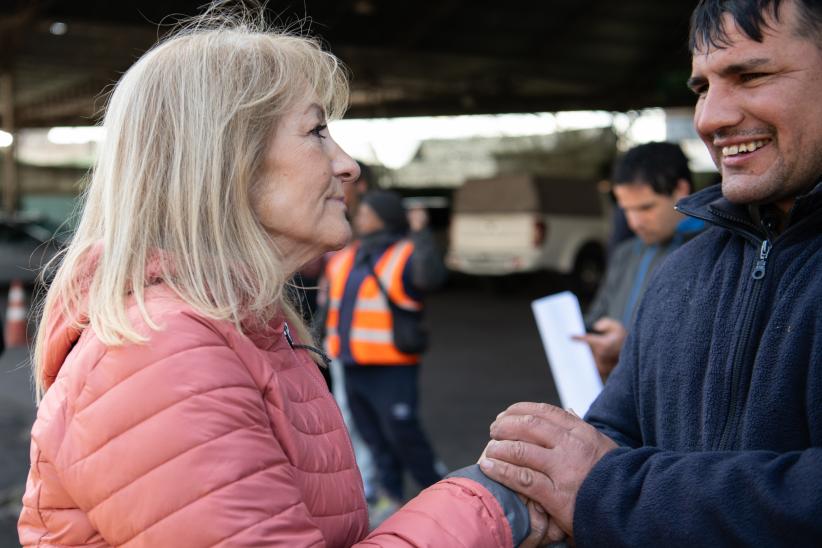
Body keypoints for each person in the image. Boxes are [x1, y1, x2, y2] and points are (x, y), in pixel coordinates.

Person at [17, 11, 548, 547]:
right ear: (228, 160)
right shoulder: (166, 350)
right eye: (317, 131)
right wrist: (490, 507)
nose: (348, 165)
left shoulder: (233, 328)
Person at [479, 0, 822, 545]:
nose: (711, 118)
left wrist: (609, 491)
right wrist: (535, 480)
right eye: (702, 88)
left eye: (751, 75)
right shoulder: (681, 273)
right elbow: (618, 430)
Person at [323, 189, 448, 523]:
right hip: (351, 363)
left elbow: (429, 277)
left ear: (388, 217)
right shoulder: (346, 256)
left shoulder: (406, 252)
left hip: (391, 364)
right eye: (361, 212)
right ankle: (390, 499)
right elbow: (329, 307)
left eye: (369, 212)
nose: (361, 217)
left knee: (403, 434)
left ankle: (443, 493)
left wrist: (421, 232)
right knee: (374, 438)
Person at [577, 142, 704, 381]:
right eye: (626, 209)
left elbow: (708, 345)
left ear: (681, 189)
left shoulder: (717, 253)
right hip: (617, 395)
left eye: (646, 208)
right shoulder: (626, 253)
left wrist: (628, 348)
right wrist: (593, 342)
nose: (635, 222)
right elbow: (599, 313)